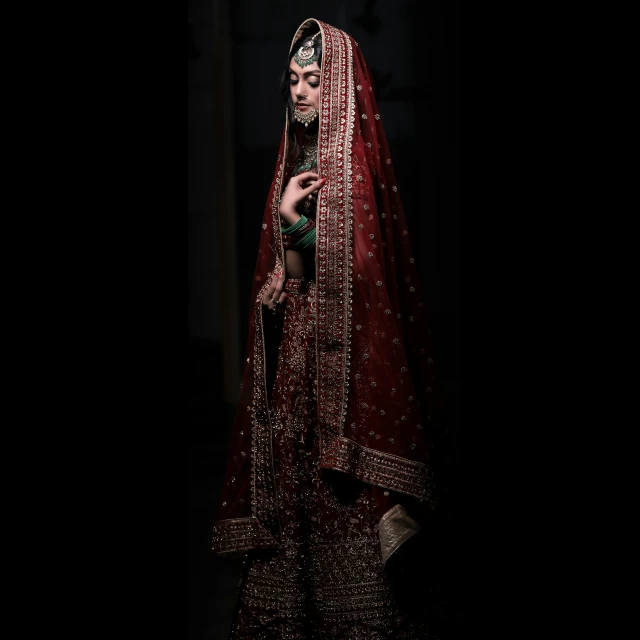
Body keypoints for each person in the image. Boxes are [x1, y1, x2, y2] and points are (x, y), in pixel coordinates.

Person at [212, 18, 441, 638]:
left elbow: (363, 271)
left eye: (315, 80)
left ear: (339, 87)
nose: (301, 91)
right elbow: (287, 279)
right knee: (295, 483)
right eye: (292, 80)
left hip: (347, 372)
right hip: (298, 363)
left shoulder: (355, 171)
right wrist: (290, 224)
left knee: (341, 500)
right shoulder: (291, 169)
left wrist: (302, 229)